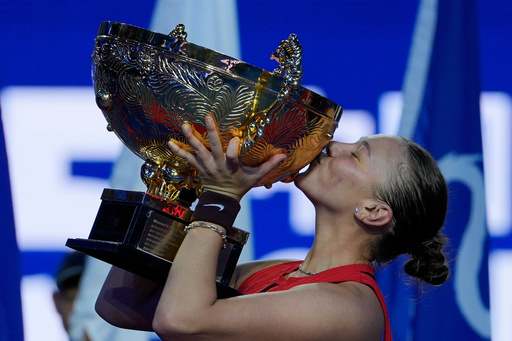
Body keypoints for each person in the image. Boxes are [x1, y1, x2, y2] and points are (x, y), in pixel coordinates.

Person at [95, 115, 450, 340]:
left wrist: (221, 199)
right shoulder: (274, 274)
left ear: (373, 211)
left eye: (356, 154)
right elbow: (122, 305)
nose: (333, 146)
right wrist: (180, 188)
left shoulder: (347, 308)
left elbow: (180, 321)